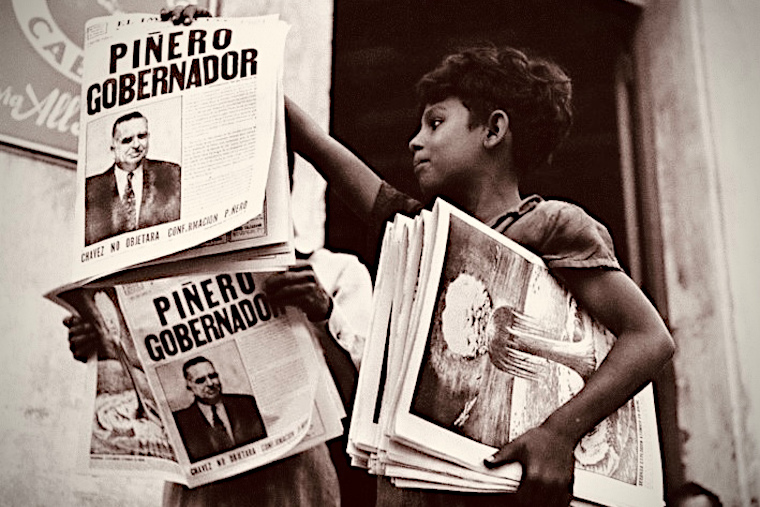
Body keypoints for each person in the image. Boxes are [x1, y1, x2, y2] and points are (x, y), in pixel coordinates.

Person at [285, 43, 676, 507]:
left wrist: (558, 434)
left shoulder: (552, 224)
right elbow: (316, 145)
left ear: (493, 129)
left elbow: (650, 338)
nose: (414, 141)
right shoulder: (423, 232)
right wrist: (230, 61)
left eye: (435, 123)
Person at [85, 111, 181, 245]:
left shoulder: (172, 174)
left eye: (142, 136)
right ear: (113, 147)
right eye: (127, 140)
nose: (136, 145)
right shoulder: (90, 189)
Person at [173, 356, 267, 463]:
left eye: (212, 376)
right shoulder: (180, 421)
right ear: (189, 386)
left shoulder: (247, 404)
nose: (210, 383)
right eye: (200, 380)